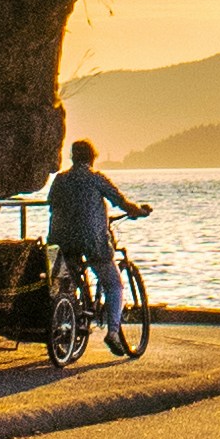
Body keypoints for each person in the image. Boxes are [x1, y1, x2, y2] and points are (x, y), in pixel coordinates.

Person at [44, 132, 150, 352]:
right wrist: (139, 211)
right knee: (114, 284)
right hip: (92, 240)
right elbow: (121, 201)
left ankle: (69, 317)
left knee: (66, 284)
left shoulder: (60, 179)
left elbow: (51, 203)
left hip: (59, 241)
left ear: (73, 158)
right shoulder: (96, 177)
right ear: (92, 157)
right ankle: (112, 333)